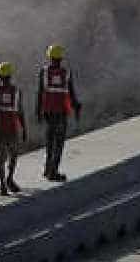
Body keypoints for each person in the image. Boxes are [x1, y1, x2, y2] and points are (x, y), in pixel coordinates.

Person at [36, 44, 81, 182]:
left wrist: (38, 111)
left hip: (48, 111)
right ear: (61, 58)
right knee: (59, 142)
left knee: (50, 141)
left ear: (49, 57)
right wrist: (76, 107)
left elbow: (40, 93)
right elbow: (71, 93)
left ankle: (47, 168)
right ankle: (53, 171)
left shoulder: (44, 72)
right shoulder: (66, 73)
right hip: (61, 111)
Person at [0, 62, 26, 196]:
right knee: (13, 155)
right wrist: (24, 128)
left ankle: (4, 185)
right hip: (12, 128)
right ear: (10, 76)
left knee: (0, 158)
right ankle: (9, 179)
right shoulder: (17, 90)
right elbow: (20, 111)